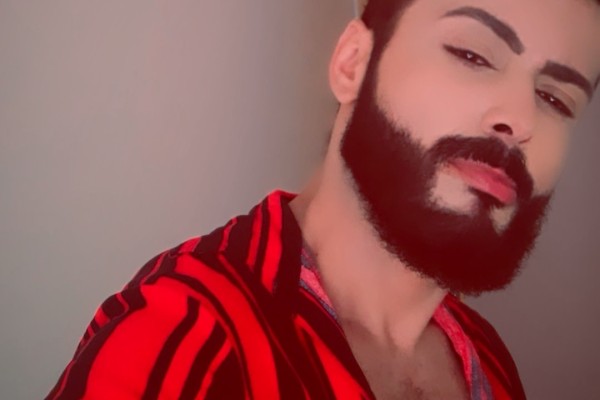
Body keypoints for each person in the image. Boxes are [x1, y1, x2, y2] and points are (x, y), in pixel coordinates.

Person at [47, 0, 600, 399]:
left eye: (555, 98)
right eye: (473, 55)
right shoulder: (184, 338)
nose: (521, 120)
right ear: (352, 64)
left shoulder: (490, 363)